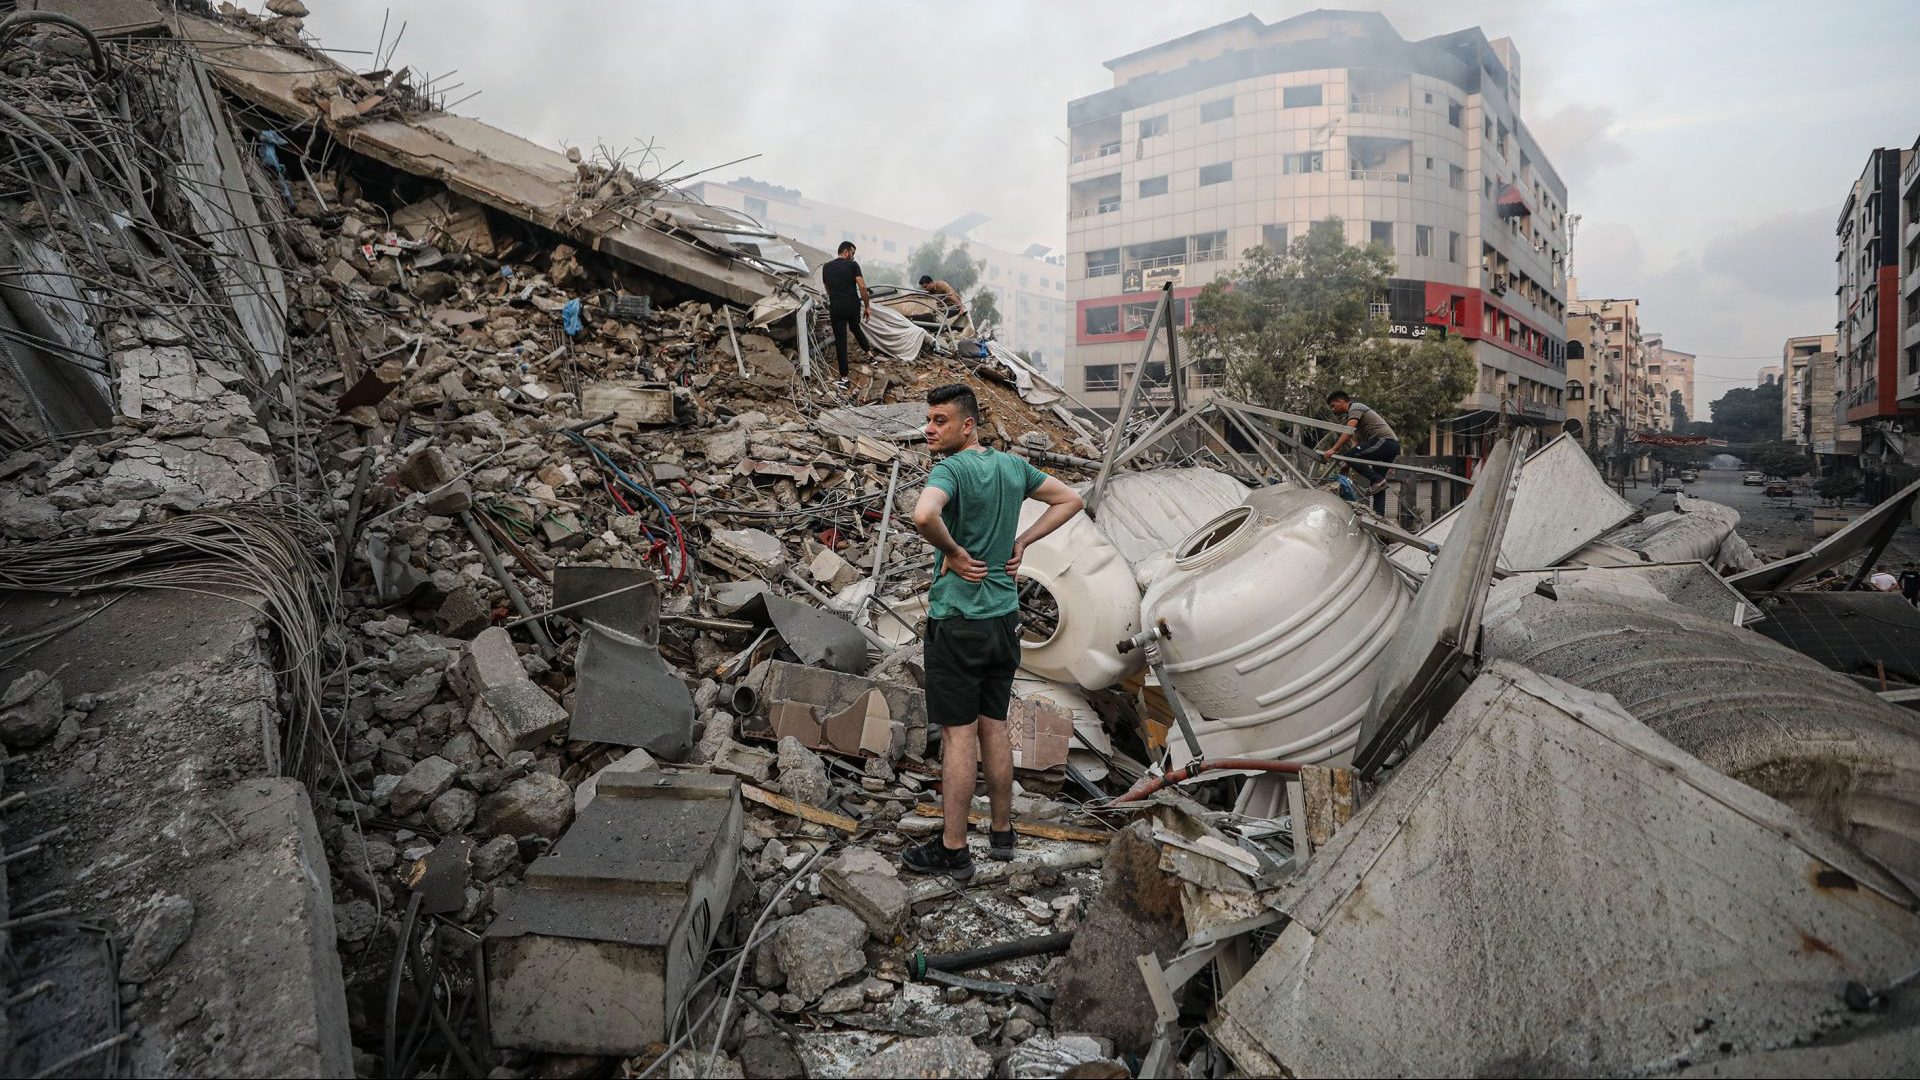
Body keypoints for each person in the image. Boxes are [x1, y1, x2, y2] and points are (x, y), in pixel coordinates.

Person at [903, 383, 1083, 879]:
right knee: (994, 727)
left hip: (959, 623)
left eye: (940, 420)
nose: (929, 429)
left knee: (960, 737)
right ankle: (1003, 833)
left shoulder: (951, 469)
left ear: (968, 425)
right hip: (1004, 622)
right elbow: (1070, 499)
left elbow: (923, 514)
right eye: (928, 419)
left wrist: (956, 555)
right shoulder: (1011, 466)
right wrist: (1023, 541)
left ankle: (954, 848)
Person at [1321, 390, 1399, 514]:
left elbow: (1348, 431)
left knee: (1351, 457)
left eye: (1333, 405)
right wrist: (1348, 464)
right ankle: (1379, 516)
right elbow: (1355, 443)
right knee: (1378, 485)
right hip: (1388, 445)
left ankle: (1378, 480)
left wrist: (1333, 450)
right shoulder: (1356, 418)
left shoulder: (1355, 407)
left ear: (1340, 401)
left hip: (1385, 442)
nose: (1332, 409)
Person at [821, 241, 874, 383]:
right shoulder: (853, 265)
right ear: (846, 251)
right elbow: (862, 287)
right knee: (855, 327)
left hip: (836, 306)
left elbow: (827, 288)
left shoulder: (826, 267)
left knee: (840, 341)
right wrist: (867, 306)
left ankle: (844, 377)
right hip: (852, 305)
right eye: (853, 253)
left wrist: (834, 297)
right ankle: (869, 354)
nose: (853, 256)